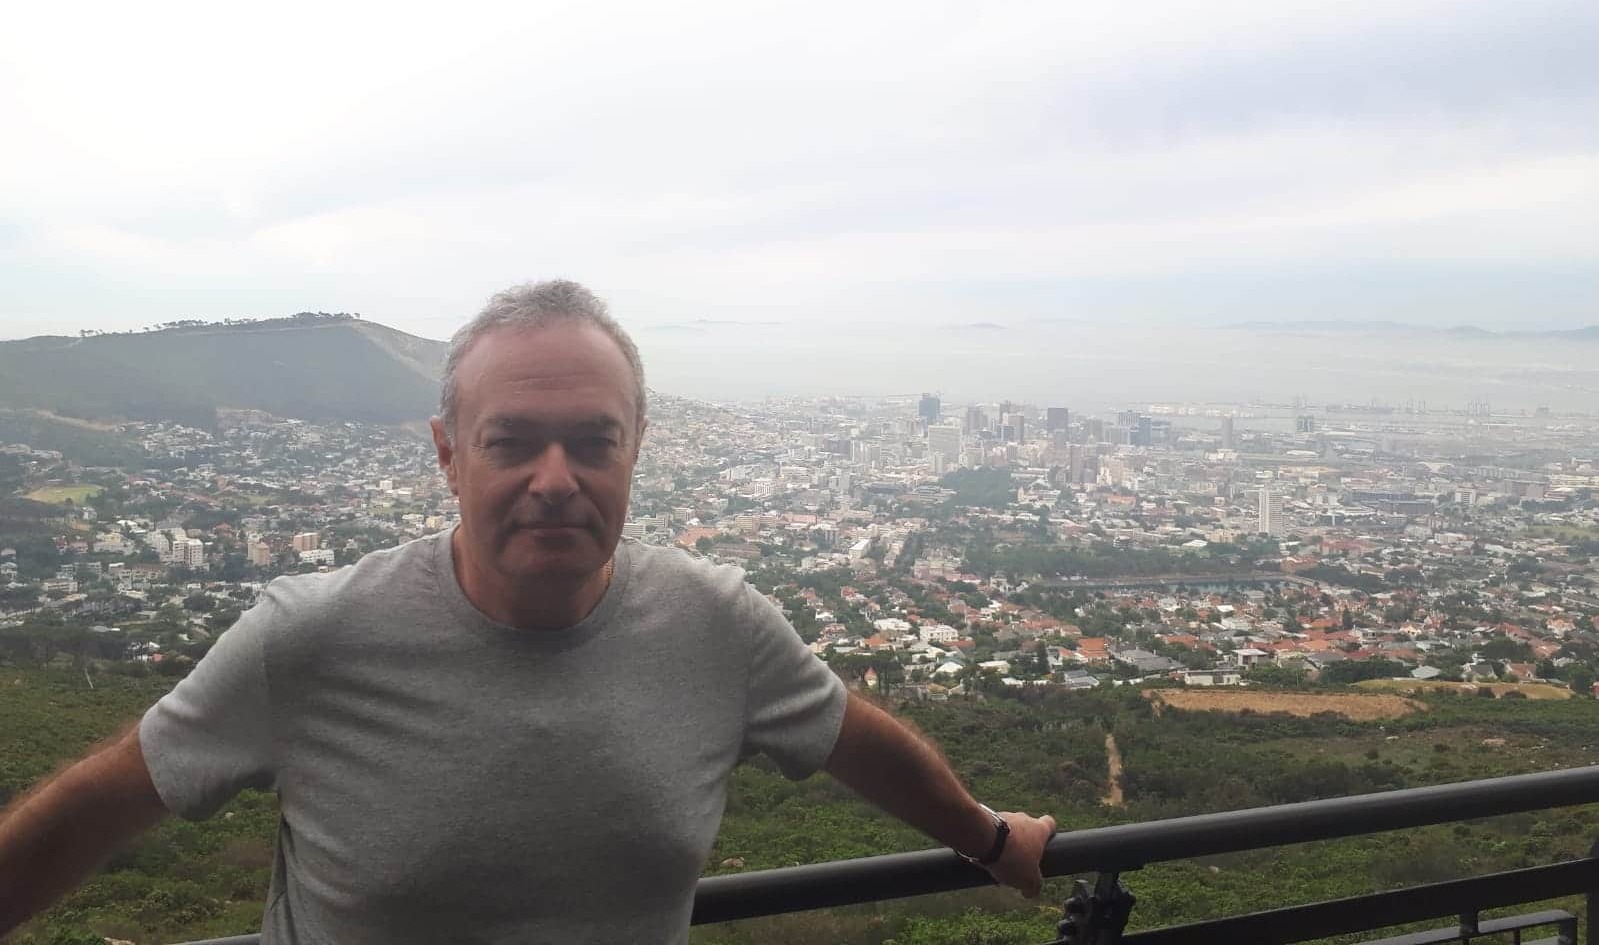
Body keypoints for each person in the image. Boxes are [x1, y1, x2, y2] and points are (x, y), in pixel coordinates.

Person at [0, 280, 1056, 943]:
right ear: (448, 454)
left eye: (593, 441)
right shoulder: (311, 636)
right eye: (512, 441)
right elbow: (99, 805)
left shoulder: (716, 623)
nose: (556, 479)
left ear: (635, 450)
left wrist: (987, 836)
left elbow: (853, 742)